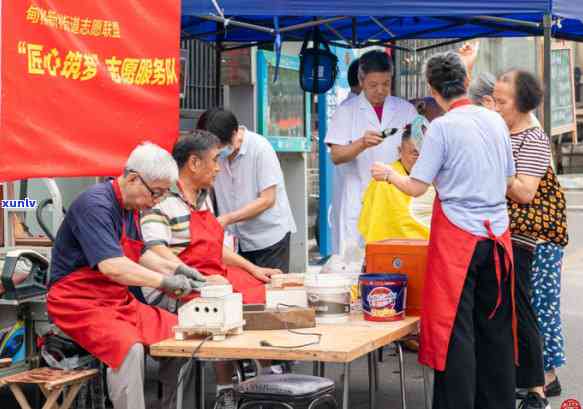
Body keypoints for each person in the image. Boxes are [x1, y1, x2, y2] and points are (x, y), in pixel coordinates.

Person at [372, 52, 517, 409]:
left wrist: (390, 174)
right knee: (495, 326)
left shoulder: (441, 127)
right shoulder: (495, 121)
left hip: (458, 238)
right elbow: (509, 179)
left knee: (456, 329)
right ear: (466, 82)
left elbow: (417, 187)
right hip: (497, 234)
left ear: (433, 91)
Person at [47, 142, 203, 409]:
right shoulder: (95, 205)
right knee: (128, 348)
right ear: (133, 178)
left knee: (184, 334)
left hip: (116, 300)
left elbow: (139, 253)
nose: (156, 201)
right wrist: (164, 282)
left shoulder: (131, 208)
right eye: (156, 193)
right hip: (77, 303)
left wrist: (177, 269)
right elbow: (113, 267)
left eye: (163, 195)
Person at [141, 130, 282, 409]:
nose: (219, 167)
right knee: (228, 301)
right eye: (215, 160)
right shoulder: (164, 203)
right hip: (174, 287)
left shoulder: (202, 197)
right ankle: (225, 390)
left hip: (210, 275)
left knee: (265, 293)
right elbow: (155, 252)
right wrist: (202, 281)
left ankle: (269, 379)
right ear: (194, 163)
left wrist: (254, 269)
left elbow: (216, 249)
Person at [495, 69, 569, 408]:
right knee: (520, 308)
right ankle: (528, 378)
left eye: (502, 101)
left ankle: (543, 381)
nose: (496, 107)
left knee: (537, 308)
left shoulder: (533, 138)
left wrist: (498, 169)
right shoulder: (503, 132)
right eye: (493, 100)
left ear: (522, 103)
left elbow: (525, 192)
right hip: (514, 236)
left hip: (536, 240)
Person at [325, 49, 417, 253]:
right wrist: (361, 143)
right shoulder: (346, 111)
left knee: (396, 254)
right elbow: (336, 156)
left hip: (396, 196)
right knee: (357, 257)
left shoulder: (405, 110)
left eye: (386, 84)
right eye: (373, 85)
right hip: (359, 195)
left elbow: (419, 149)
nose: (380, 90)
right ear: (361, 79)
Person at [197, 108, 296, 273]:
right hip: (236, 241)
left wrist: (227, 218)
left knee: (271, 291)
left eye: (221, 149)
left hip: (269, 238)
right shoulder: (211, 153)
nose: (219, 155)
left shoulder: (260, 148)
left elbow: (267, 199)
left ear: (235, 134)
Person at [358, 116, 432, 243]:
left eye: (425, 154)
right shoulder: (383, 178)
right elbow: (370, 222)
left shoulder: (439, 178)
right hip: (390, 249)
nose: (421, 160)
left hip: (430, 248)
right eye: (415, 153)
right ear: (400, 151)